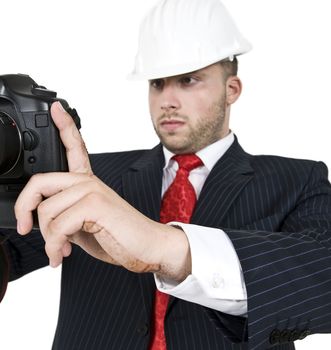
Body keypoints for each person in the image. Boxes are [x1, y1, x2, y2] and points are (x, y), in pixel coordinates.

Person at [1, 0, 331, 349]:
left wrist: (166, 247)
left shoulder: (296, 179)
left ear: (232, 89)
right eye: (157, 83)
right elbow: (11, 250)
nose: (167, 100)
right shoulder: (92, 177)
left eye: (188, 80)